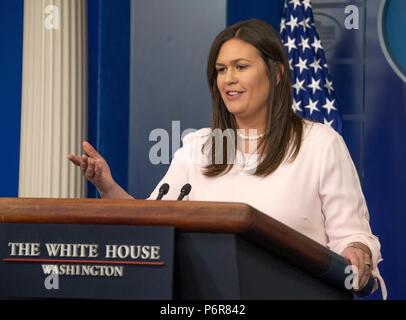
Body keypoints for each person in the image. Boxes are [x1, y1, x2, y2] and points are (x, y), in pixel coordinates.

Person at [68, 19, 385, 298]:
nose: (228, 78)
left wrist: (357, 253)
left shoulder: (319, 144)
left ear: (276, 73)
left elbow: (353, 237)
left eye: (240, 67)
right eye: (221, 70)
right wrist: (107, 186)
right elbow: (151, 222)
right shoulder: (200, 146)